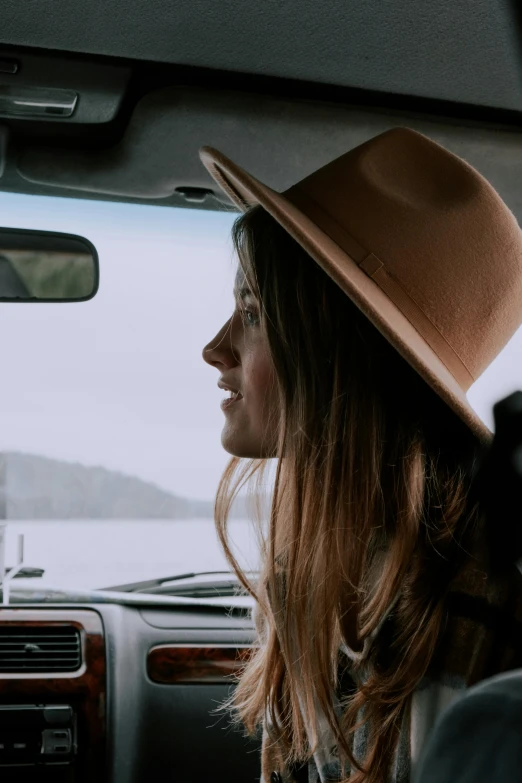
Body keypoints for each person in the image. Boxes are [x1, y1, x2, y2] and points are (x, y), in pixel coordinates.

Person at [200, 127, 522, 783]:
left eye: (253, 310)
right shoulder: (305, 567)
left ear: (340, 352)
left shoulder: (490, 589)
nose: (216, 346)